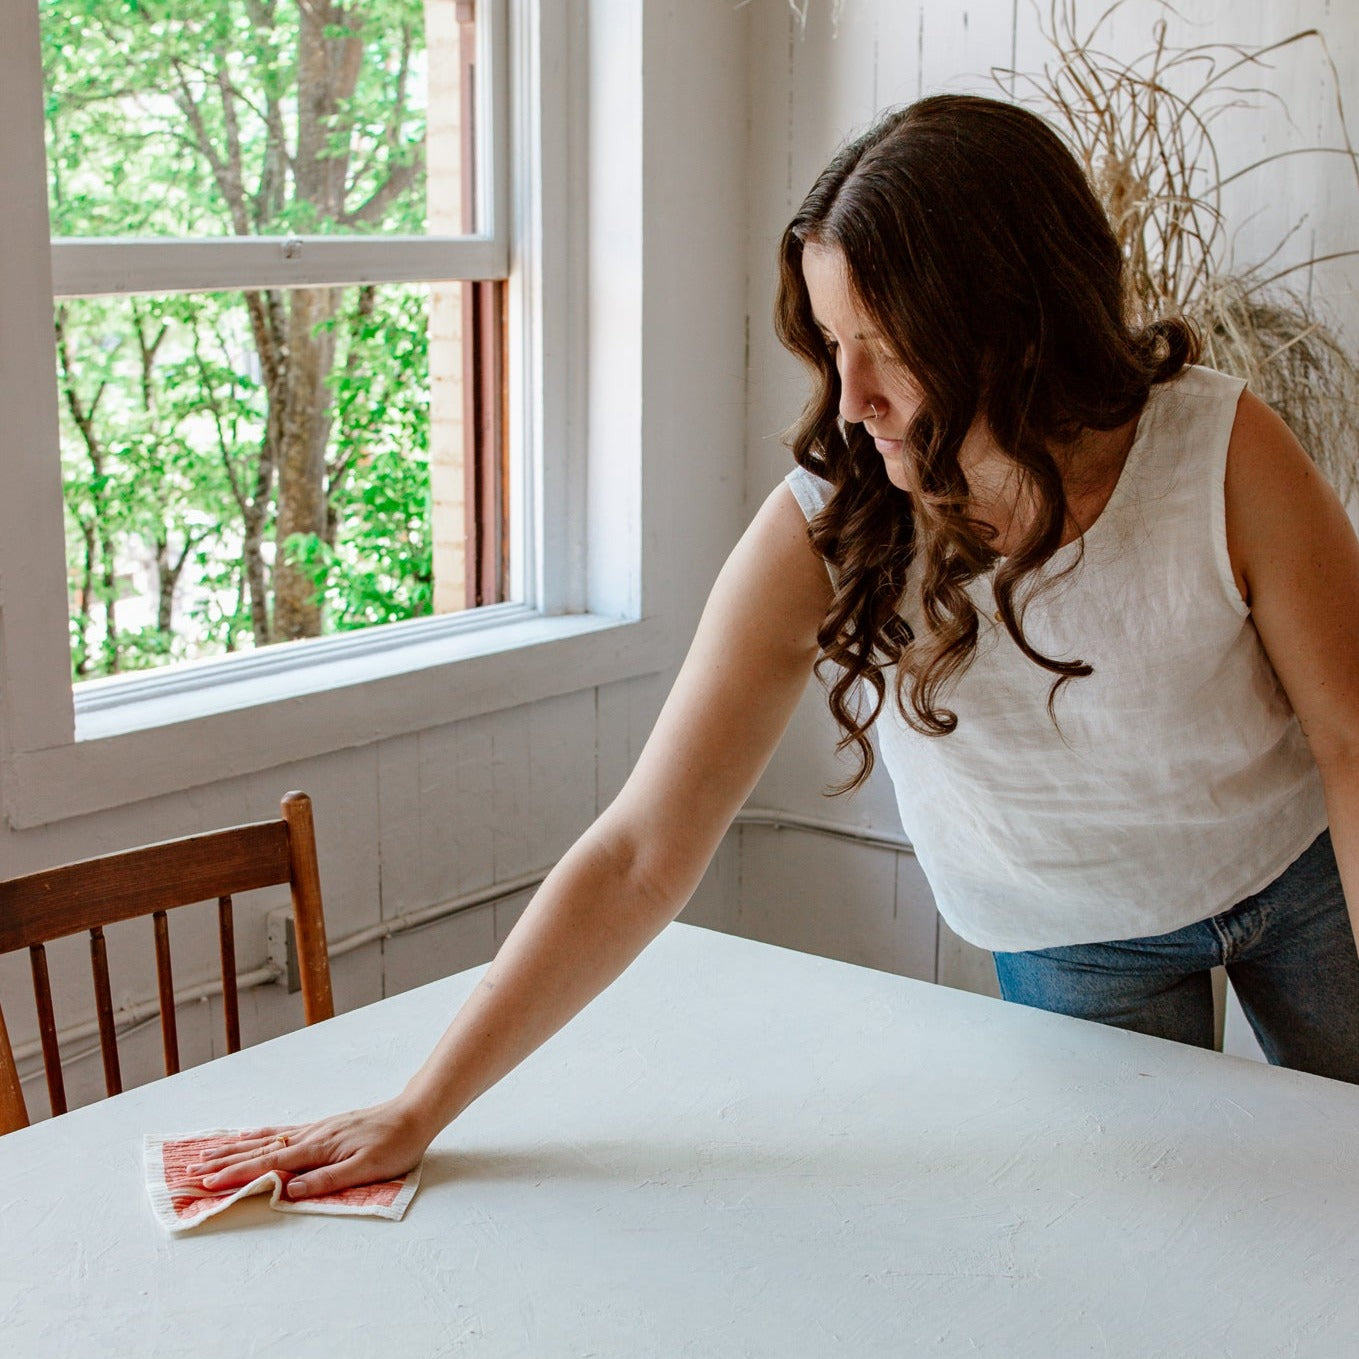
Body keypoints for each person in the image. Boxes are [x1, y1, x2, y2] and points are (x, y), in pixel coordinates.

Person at [192, 93, 1359, 1200]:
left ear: (1012, 323)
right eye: (831, 342)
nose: (850, 398)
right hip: (1073, 933)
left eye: (886, 346)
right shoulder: (826, 527)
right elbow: (642, 851)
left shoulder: (1217, 445)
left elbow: (1352, 740)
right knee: (1174, 1240)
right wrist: (418, 1109)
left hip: (1302, 874)